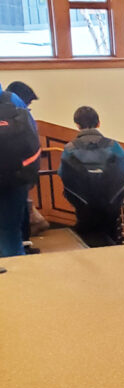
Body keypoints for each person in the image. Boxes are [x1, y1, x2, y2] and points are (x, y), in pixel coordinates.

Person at [58, 106, 124, 247]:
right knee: (110, 231)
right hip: (110, 201)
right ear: (98, 123)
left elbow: (63, 173)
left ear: (77, 125)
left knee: (86, 234)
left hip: (82, 203)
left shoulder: (70, 148)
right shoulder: (112, 145)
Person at [6, 81, 49, 249]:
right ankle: (23, 247)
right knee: (13, 224)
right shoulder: (18, 108)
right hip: (17, 173)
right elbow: (31, 143)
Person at [0, 81, 40, 258]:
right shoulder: (13, 99)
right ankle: (20, 279)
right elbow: (32, 137)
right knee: (11, 232)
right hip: (15, 178)